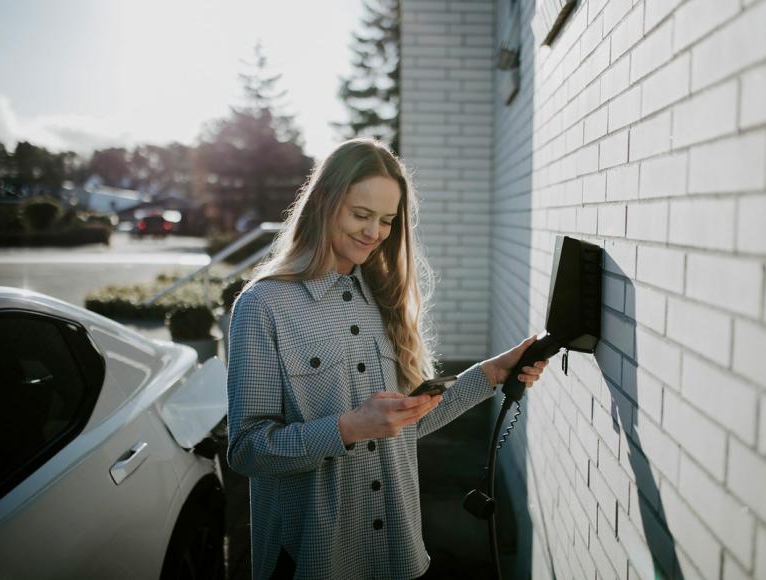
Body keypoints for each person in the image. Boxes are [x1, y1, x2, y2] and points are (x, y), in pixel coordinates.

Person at [226, 138, 547, 579]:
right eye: (361, 215)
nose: (374, 232)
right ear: (323, 204)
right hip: (312, 560)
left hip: (397, 554)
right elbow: (246, 450)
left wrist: (491, 373)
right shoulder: (263, 306)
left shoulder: (383, 297)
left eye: (387, 221)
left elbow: (404, 426)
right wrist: (349, 428)